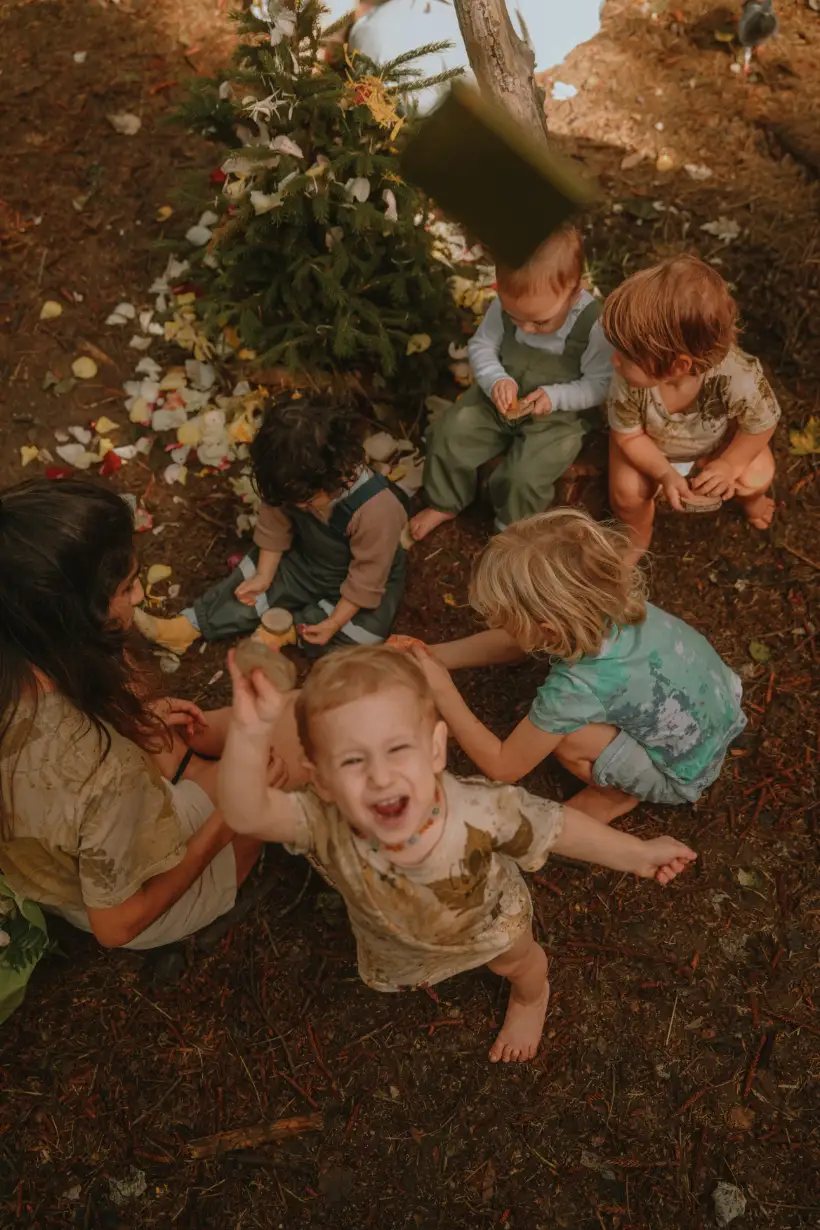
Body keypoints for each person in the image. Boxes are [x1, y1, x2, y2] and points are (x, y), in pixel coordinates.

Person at [219, 644, 696, 1063]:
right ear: (320, 780)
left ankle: (531, 999)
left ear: (434, 751)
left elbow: (559, 827)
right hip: (396, 940)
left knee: (519, 962)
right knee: (409, 966)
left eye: (397, 749)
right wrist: (248, 730)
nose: (380, 777)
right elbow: (246, 812)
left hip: (488, 925)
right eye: (352, 760)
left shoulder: (482, 810)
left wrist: (636, 853)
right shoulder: (323, 821)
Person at [0, 478, 301, 951]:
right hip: (132, 894)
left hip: (62, 869)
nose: (139, 596)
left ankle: (194, 770)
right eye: (125, 587)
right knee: (293, 739)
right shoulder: (103, 770)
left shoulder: (22, 644)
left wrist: (137, 715)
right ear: (72, 614)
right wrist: (230, 818)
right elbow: (117, 926)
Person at [400, 509, 746, 825]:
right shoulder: (613, 602)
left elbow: (504, 765)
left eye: (506, 620)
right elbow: (516, 643)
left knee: (568, 739)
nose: (498, 626)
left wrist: (443, 690)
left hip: (683, 771)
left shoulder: (575, 688)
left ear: (547, 629)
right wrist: (435, 656)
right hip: (722, 704)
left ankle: (614, 794)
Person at [136, 398, 408, 657]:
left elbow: (366, 580)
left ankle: (288, 630)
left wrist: (334, 623)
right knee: (250, 581)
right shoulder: (289, 475)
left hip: (364, 580)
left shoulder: (376, 510)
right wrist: (264, 576)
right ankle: (188, 627)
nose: (301, 507)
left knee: (364, 634)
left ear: (337, 473)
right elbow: (274, 524)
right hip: (307, 562)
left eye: (307, 501)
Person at [410, 226, 613, 541]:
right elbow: (482, 346)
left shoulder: (592, 324)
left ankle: (513, 529)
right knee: (449, 434)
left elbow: (600, 383)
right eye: (516, 318)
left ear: (574, 291)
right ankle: (445, 500)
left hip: (557, 416)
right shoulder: (508, 304)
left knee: (527, 474)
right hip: (499, 399)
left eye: (540, 321)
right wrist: (496, 380)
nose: (527, 329)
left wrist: (555, 397)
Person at [601, 253, 781, 552]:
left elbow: (762, 424)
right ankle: (636, 534)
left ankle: (753, 501)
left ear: (676, 367)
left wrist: (728, 465)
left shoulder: (739, 376)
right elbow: (628, 435)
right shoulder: (630, 378)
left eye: (626, 356)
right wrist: (664, 473)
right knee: (626, 494)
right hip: (650, 447)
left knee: (758, 474)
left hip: (715, 447)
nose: (614, 360)